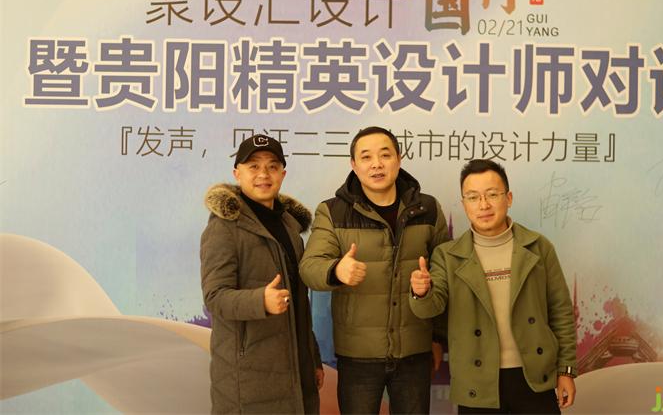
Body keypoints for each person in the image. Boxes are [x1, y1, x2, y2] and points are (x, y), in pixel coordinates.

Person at [299, 126, 450, 414]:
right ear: (354, 165)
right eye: (366, 157)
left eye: (385, 155)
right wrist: (336, 270)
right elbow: (309, 268)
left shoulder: (428, 209)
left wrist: (437, 337)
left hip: (415, 351)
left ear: (399, 159)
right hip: (358, 356)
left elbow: (446, 275)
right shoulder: (332, 212)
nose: (376, 164)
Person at [409, 159, 577, 414]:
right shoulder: (448, 255)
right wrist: (421, 292)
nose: (483, 205)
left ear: (508, 198)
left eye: (492, 195)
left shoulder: (538, 247)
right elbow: (431, 308)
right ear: (464, 204)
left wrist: (566, 370)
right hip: (477, 381)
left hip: (534, 377)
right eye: (473, 197)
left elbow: (561, 311)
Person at [200, 134, 324, 414]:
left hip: (297, 372)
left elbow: (300, 303)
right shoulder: (223, 228)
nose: (263, 174)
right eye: (253, 166)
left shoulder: (291, 227)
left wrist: (312, 358)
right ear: (237, 173)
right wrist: (260, 302)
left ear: (282, 174)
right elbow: (215, 297)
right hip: (248, 379)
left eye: (272, 166)